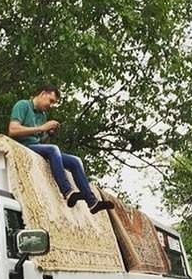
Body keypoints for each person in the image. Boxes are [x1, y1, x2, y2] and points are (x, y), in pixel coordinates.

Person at [8, 85, 114, 214]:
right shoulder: (23, 105)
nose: (51, 105)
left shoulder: (42, 115)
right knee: (54, 149)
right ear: (42, 94)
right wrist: (42, 128)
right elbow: (12, 130)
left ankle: (92, 202)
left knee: (75, 161)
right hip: (22, 146)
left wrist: (49, 134)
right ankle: (67, 192)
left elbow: (40, 142)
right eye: (51, 101)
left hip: (35, 147)